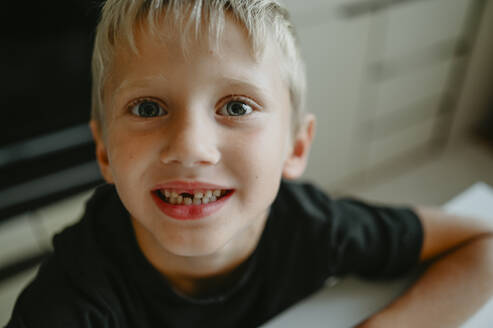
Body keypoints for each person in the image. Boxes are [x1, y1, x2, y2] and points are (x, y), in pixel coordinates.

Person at [7, 0, 493, 327]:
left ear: (296, 148)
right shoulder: (72, 292)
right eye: (149, 108)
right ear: (104, 153)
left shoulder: (315, 227)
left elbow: (483, 246)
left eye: (236, 107)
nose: (191, 147)